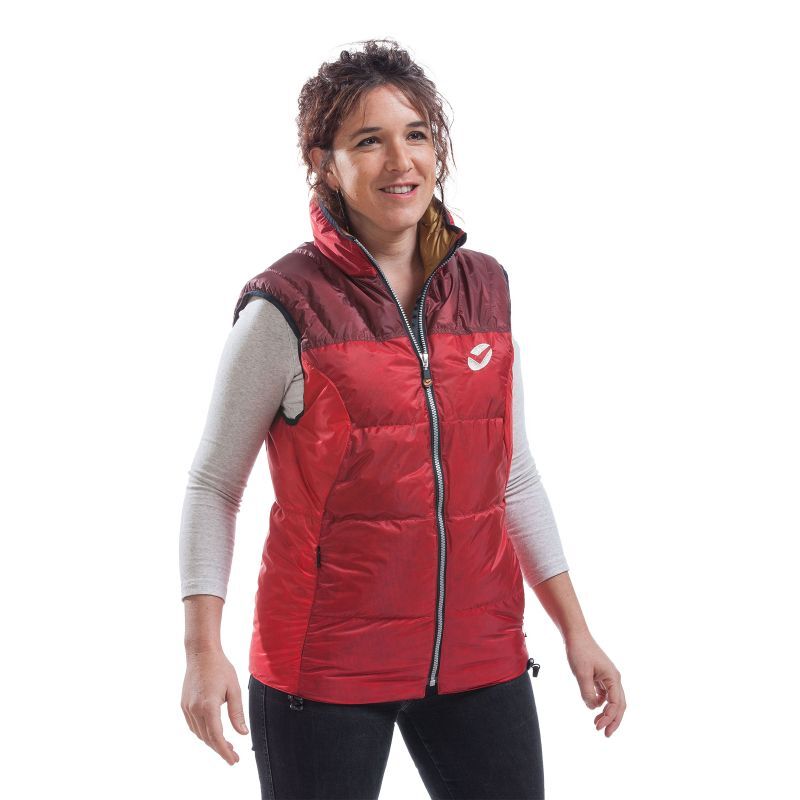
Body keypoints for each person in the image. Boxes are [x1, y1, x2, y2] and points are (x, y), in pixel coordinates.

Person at [179, 38, 626, 800]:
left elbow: (513, 476)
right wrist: (201, 651)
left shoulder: (485, 290)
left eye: (416, 134)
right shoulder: (284, 309)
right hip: (323, 671)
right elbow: (213, 485)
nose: (401, 161)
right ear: (325, 164)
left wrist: (575, 630)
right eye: (369, 140)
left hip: (480, 656)